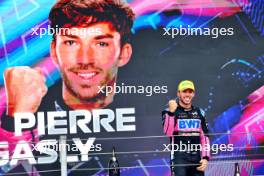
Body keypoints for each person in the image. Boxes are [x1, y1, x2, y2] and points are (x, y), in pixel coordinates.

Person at [0, 0, 135, 175]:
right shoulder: (18, 110)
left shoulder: (154, 111)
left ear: (124, 54)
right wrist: (16, 120)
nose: (85, 59)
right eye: (71, 43)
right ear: (54, 52)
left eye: (101, 43)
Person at [162, 80, 210, 176]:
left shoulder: (200, 112)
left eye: (190, 92)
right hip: (178, 159)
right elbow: (168, 132)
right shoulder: (168, 111)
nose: (187, 94)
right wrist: (171, 113)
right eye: (184, 91)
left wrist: (205, 157)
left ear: (193, 94)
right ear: (178, 94)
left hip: (197, 158)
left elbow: (204, 137)